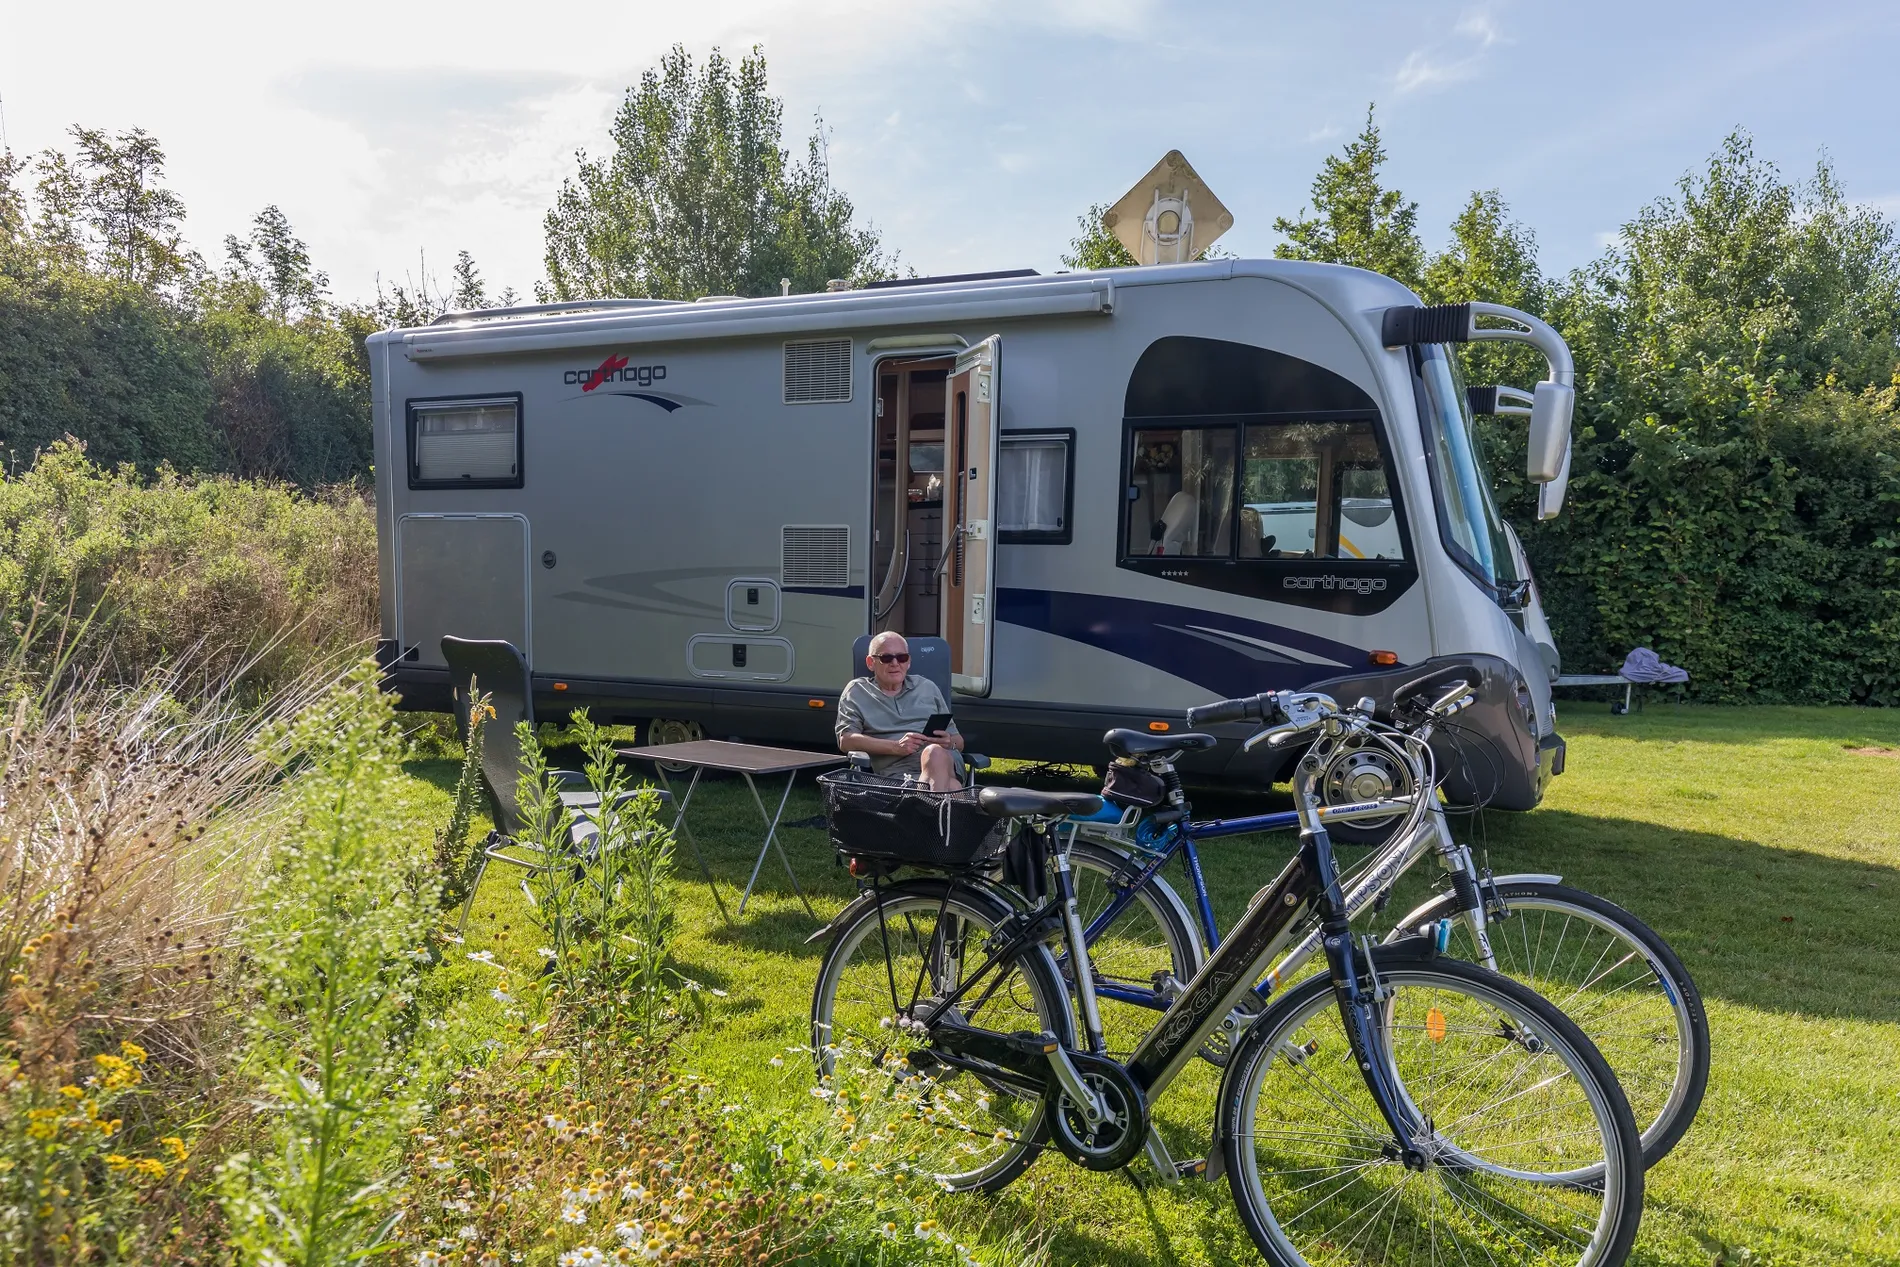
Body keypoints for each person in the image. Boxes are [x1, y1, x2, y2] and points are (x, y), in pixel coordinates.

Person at [836, 631, 964, 791]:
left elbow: (959, 742)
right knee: (953, 788)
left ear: (908, 662)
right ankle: (933, 811)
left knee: (934, 753)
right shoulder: (858, 691)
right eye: (886, 658)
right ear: (870, 662)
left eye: (902, 657)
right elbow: (846, 740)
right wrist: (896, 747)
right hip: (897, 772)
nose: (895, 663)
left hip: (945, 762)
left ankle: (924, 807)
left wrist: (948, 742)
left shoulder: (927, 687)